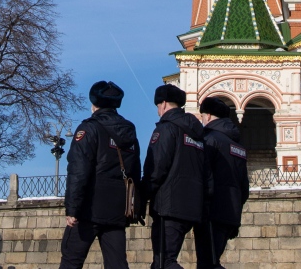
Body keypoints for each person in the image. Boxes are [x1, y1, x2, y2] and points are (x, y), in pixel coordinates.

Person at [59, 80, 142, 269]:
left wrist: (72, 209)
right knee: (117, 263)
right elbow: (135, 171)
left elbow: (78, 171)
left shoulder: (89, 128)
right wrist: (134, 206)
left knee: (71, 260)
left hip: (89, 207)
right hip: (117, 208)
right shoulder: (129, 131)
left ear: (94, 104)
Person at [142, 85, 208, 269]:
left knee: (165, 261)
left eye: (157, 106)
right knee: (160, 263)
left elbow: (156, 167)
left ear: (163, 104)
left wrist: (144, 194)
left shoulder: (166, 129)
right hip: (192, 206)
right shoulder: (197, 132)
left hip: (168, 206)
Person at [193, 97, 249, 269]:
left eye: (202, 116)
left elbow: (202, 175)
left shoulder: (209, 140)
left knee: (207, 262)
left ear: (208, 116)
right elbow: (244, 187)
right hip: (230, 213)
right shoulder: (237, 146)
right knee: (213, 258)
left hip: (211, 211)